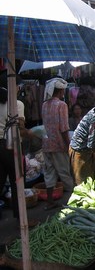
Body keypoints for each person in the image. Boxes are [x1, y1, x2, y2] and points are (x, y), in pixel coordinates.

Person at [0, 87, 33, 219]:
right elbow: (21, 128)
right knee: (18, 182)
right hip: (11, 146)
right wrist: (33, 134)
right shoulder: (17, 104)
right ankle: (21, 219)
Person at [42, 78, 74, 210]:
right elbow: (64, 128)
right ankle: (73, 200)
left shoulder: (44, 104)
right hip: (59, 144)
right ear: (60, 91)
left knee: (49, 172)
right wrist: (68, 145)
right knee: (65, 172)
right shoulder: (62, 105)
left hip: (46, 143)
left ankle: (49, 202)